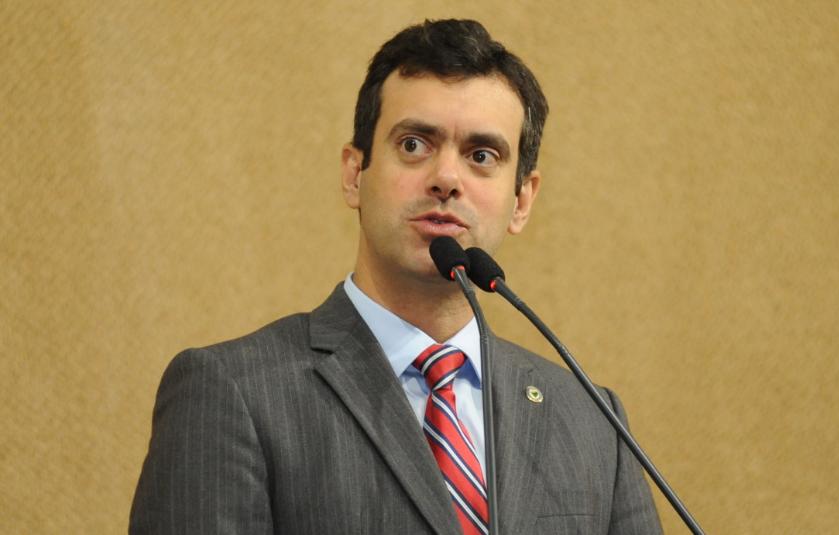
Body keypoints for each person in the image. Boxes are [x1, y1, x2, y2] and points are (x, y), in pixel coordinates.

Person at [130, 19, 662, 535]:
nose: (446, 178)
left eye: (481, 155)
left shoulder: (592, 420)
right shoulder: (233, 392)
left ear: (521, 200)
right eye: (414, 145)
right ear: (353, 174)